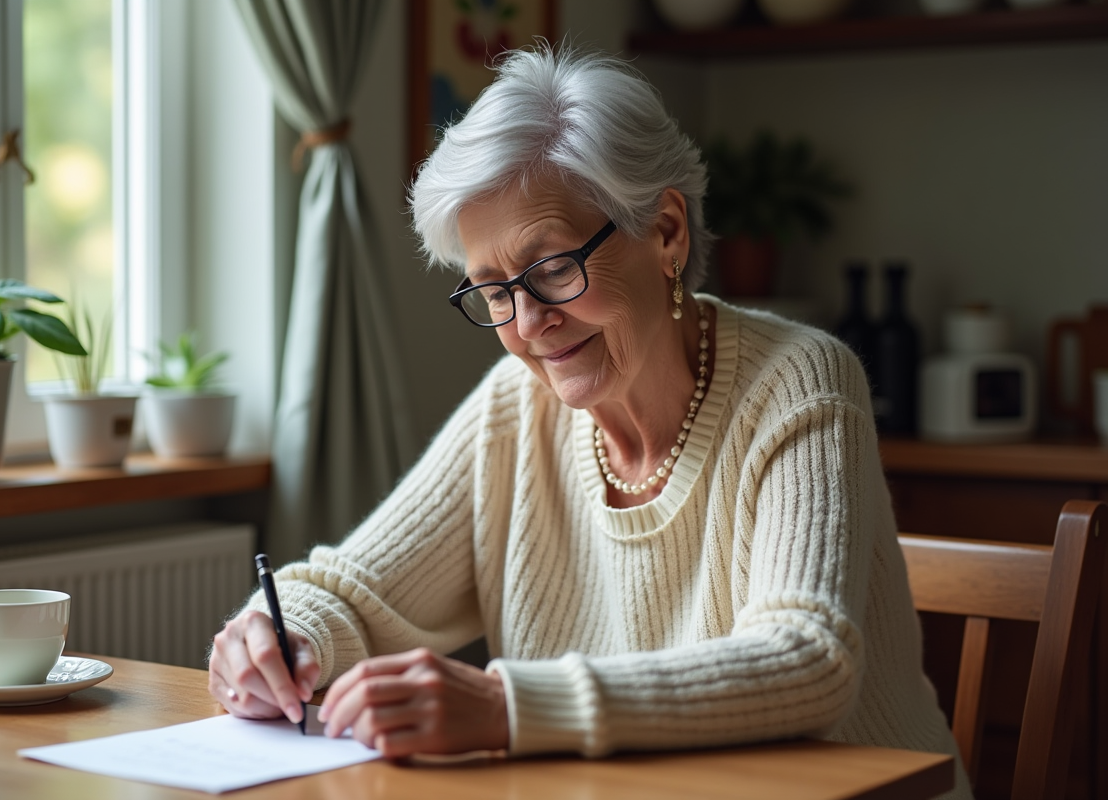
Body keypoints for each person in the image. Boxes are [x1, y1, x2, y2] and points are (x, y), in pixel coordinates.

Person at [209, 46, 971, 798]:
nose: (527, 323)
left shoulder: (799, 383)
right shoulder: (515, 409)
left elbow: (806, 661)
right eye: (494, 291)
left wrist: (506, 707)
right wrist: (283, 635)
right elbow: (354, 590)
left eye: (551, 269)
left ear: (665, 232)